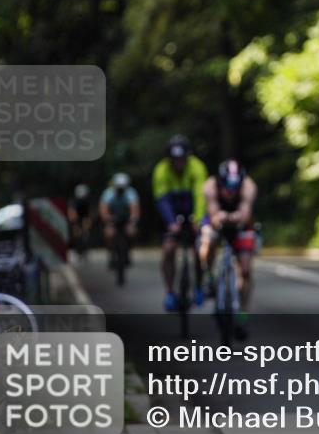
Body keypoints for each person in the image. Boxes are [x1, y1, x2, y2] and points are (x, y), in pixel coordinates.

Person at [198, 159, 258, 338]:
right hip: (217, 221)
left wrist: (234, 217)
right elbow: (213, 214)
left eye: (234, 187)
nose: (230, 191)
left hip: (241, 225)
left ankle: (242, 313)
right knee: (207, 240)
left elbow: (245, 213)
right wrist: (220, 217)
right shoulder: (210, 186)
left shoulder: (248, 186)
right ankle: (208, 275)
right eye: (226, 187)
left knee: (245, 270)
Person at [152, 134, 209, 311]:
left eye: (181, 159)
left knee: (201, 249)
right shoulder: (161, 170)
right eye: (174, 159)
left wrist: (198, 220)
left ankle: (199, 286)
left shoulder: (197, 167)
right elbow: (162, 200)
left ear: (188, 156)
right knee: (169, 249)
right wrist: (171, 222)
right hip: (173, 211)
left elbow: (201, 196)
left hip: (193, 208)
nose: (178, 163)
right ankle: (170, 292)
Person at [99, 172, 140, 267]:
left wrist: (132, 222)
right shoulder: (107, 193)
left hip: (126, 219)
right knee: (108, 233)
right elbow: (103, 210)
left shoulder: (131, 193)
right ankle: (111, 253)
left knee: (132, 232)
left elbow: (135, 210)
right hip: (112, 219)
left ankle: (128, 250)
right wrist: (108, 220)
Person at [67, 184, 94, 260]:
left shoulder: (88, 200)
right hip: (76, 217)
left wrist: (87, 226)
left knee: (86, 233)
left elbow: (90, 213)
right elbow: (71, 214)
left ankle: (85, 249)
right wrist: (75, 225)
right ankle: (77, 249)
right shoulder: (73, 201)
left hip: (85, 216)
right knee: (76, 234)